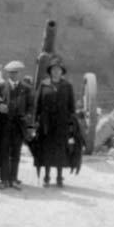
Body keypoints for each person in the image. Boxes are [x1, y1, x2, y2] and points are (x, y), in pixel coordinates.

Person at [34, 55, 76, 187]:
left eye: (59, 69)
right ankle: (46, 176)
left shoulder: (67, 86)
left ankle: (59, 176)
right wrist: (35, 121)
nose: (56, 71)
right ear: (50, 71)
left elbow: (71, 107)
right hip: (46, 123)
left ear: (62, 71)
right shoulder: (44, 84)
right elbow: (38, 104)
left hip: (61, 123)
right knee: (46, 149)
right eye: (53, 69)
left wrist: (70, 123)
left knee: (59, 149)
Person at [0, 61, 34, 190]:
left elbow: (31, 106)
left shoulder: (26, 88)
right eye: (11, 72)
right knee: (4, 152)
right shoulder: (0, 87)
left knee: (16, 153)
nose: (13, 75)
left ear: (20, 73)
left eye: (16, 72)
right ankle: (4, 179)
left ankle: (14, 179)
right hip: (4, 124)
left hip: (19, 125)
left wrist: (27, 116)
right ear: (7, 73)